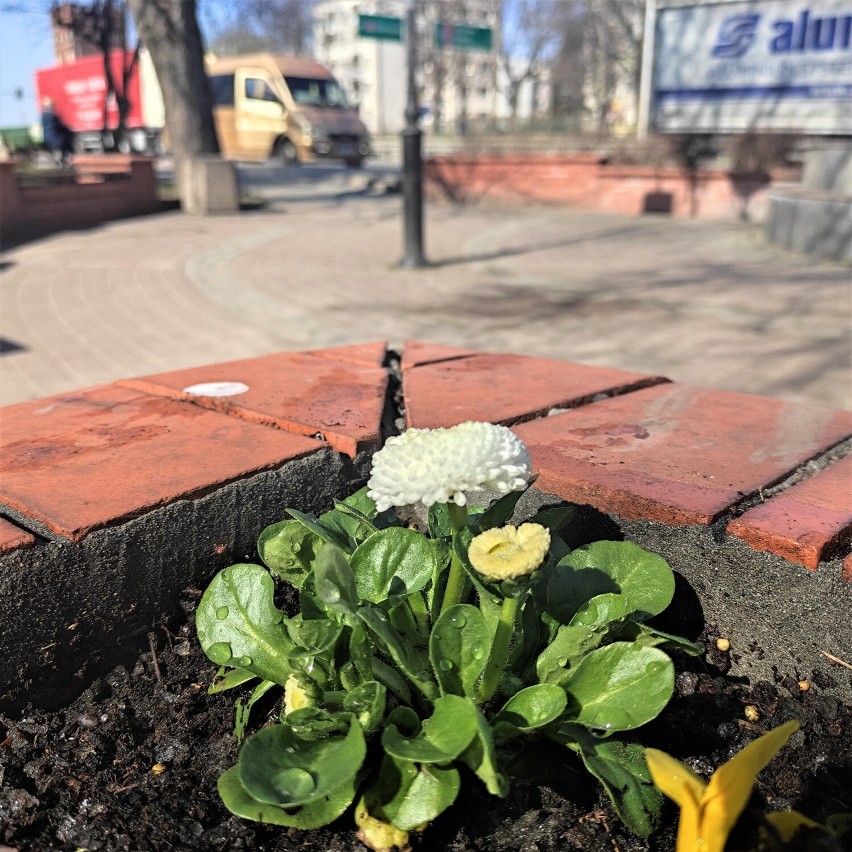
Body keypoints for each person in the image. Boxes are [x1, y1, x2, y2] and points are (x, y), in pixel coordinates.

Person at [41, 98, 73, 165]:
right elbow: (60, 125)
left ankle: (59, 158)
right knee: (67, 140)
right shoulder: (53, 116)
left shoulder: (43, 116)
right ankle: (65, 159)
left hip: (46, 138)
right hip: (56, 138)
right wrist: (68, 126)